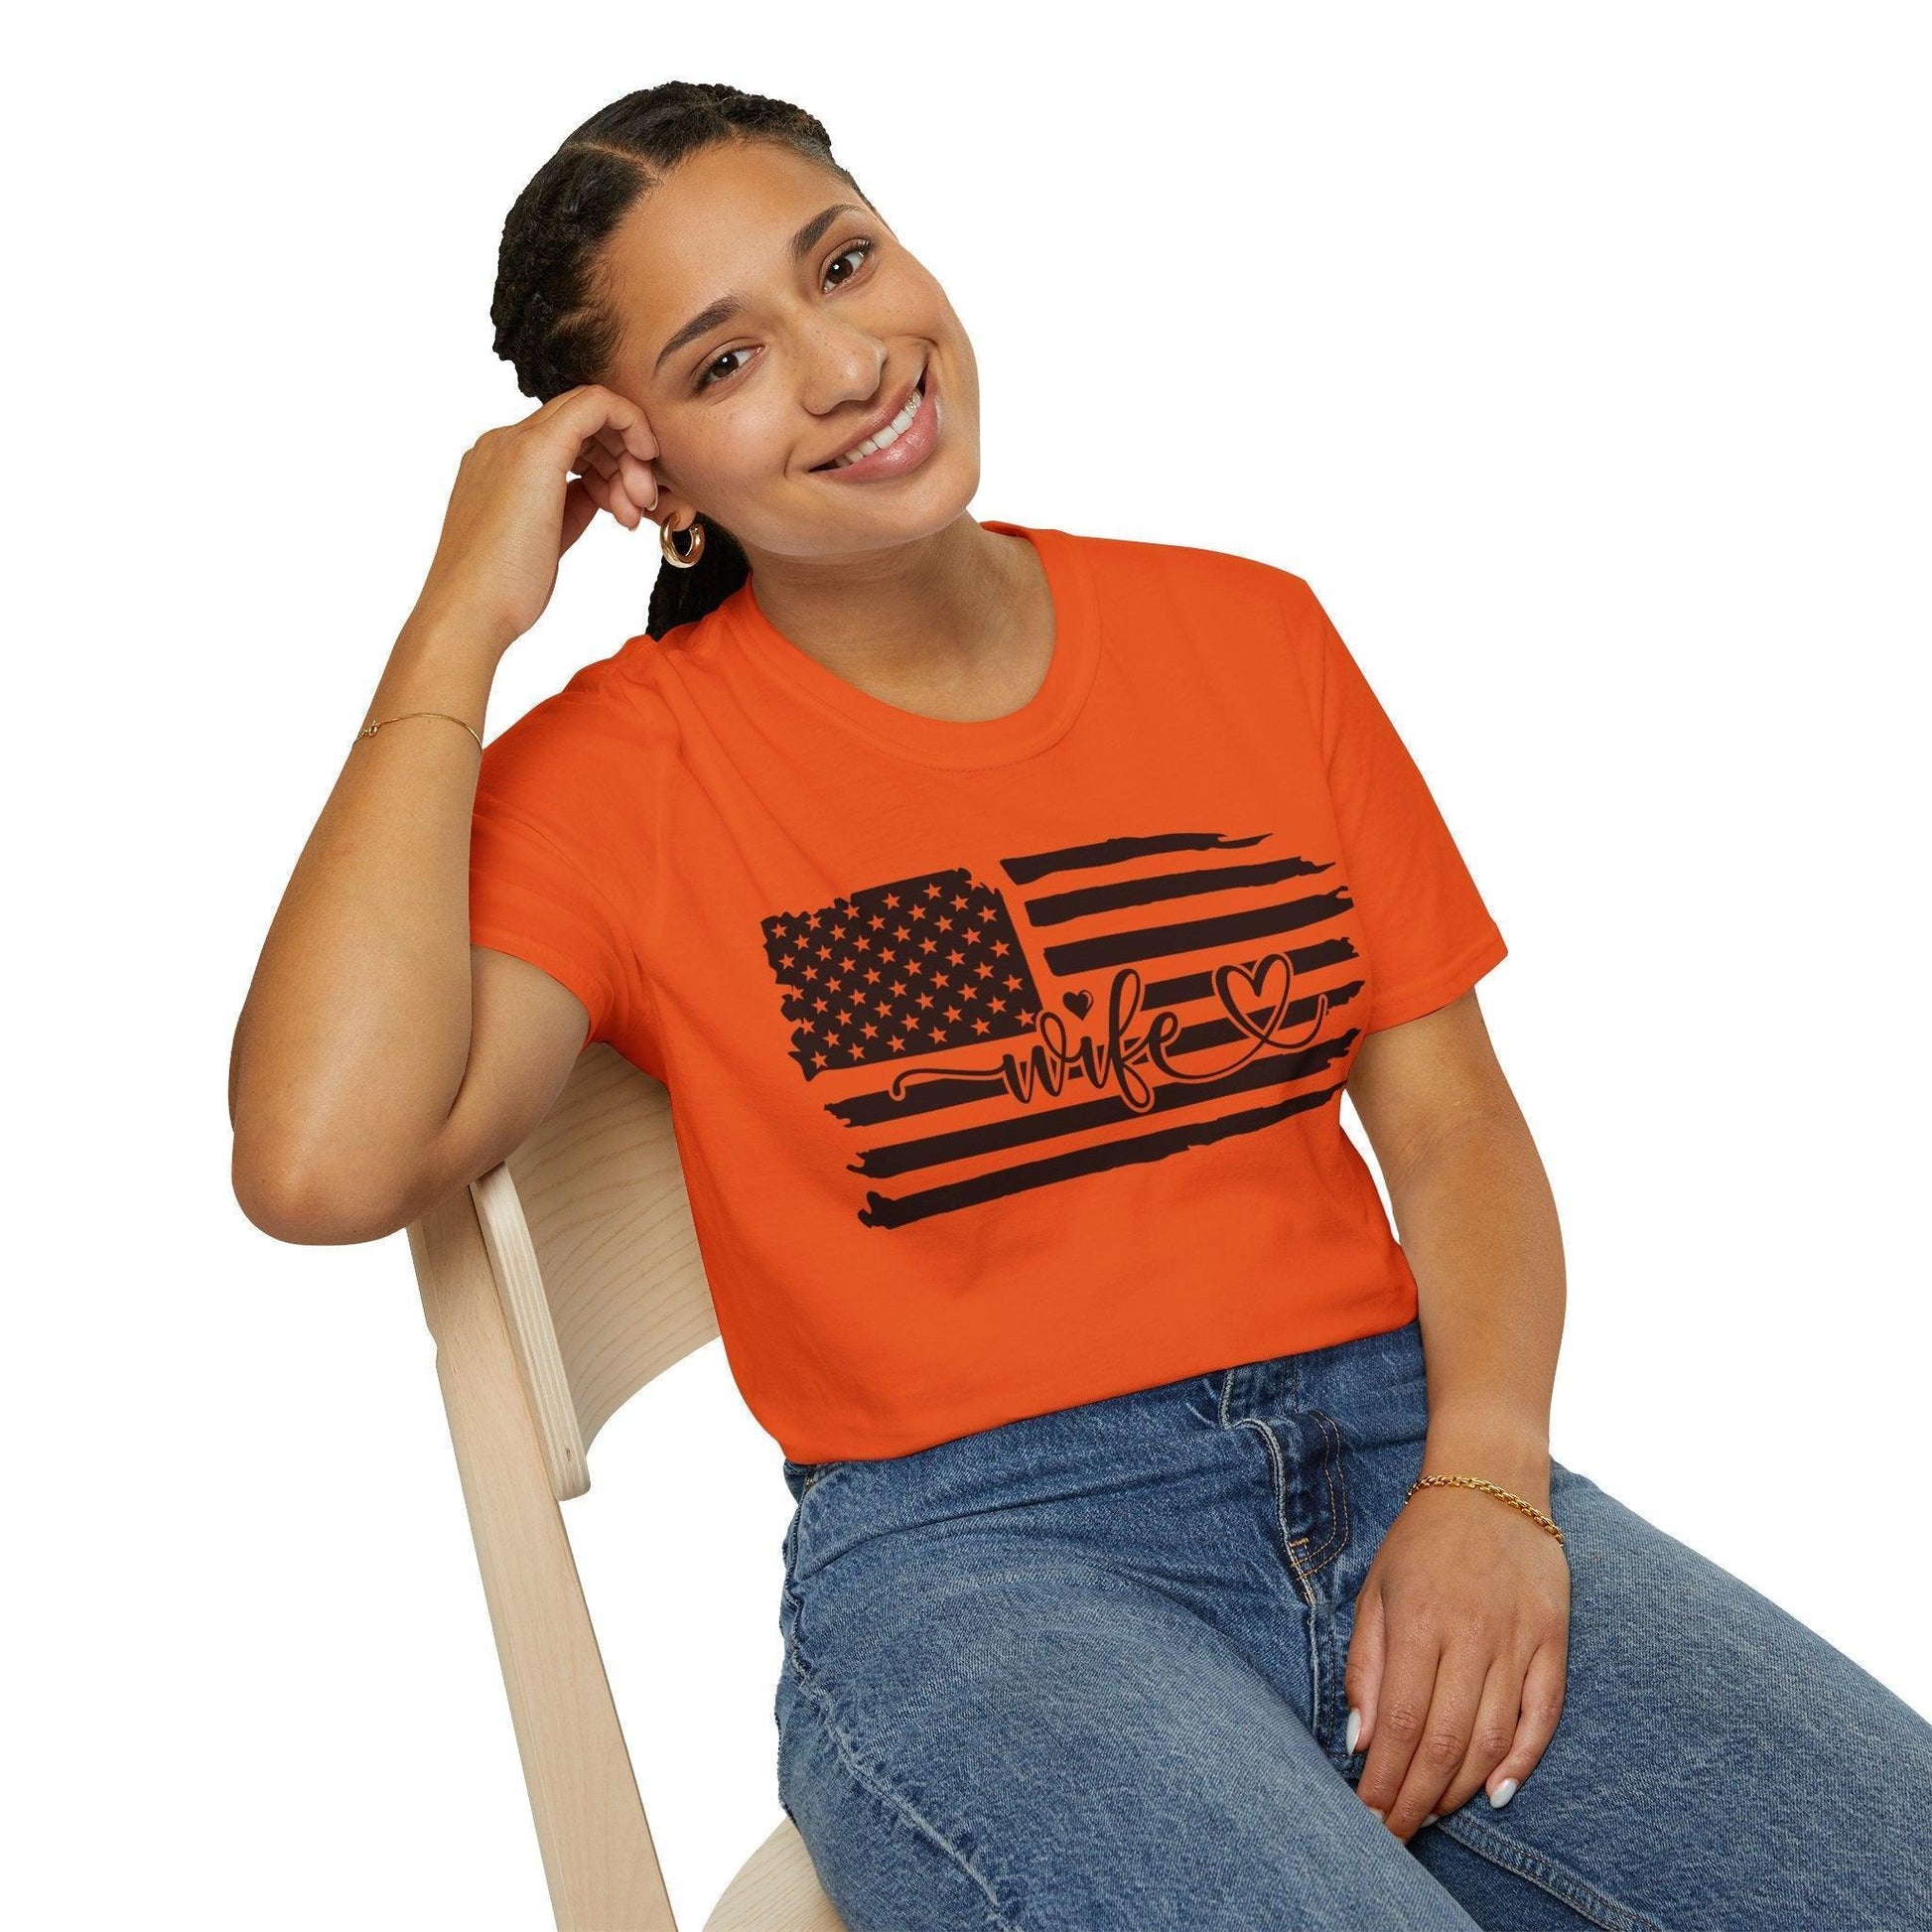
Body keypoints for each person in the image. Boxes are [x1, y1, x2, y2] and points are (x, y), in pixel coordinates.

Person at [228, 80, 1932, 1930]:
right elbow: (319, 1161)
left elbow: (1452, 1130)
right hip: (983, 1564)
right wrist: (458, 618)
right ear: (647, 478)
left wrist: (1489, 1482)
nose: (846, 365)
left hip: (1405, 1449)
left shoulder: (1250, 635)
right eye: (726, 361)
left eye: (842, 264)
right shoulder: (629, 774)